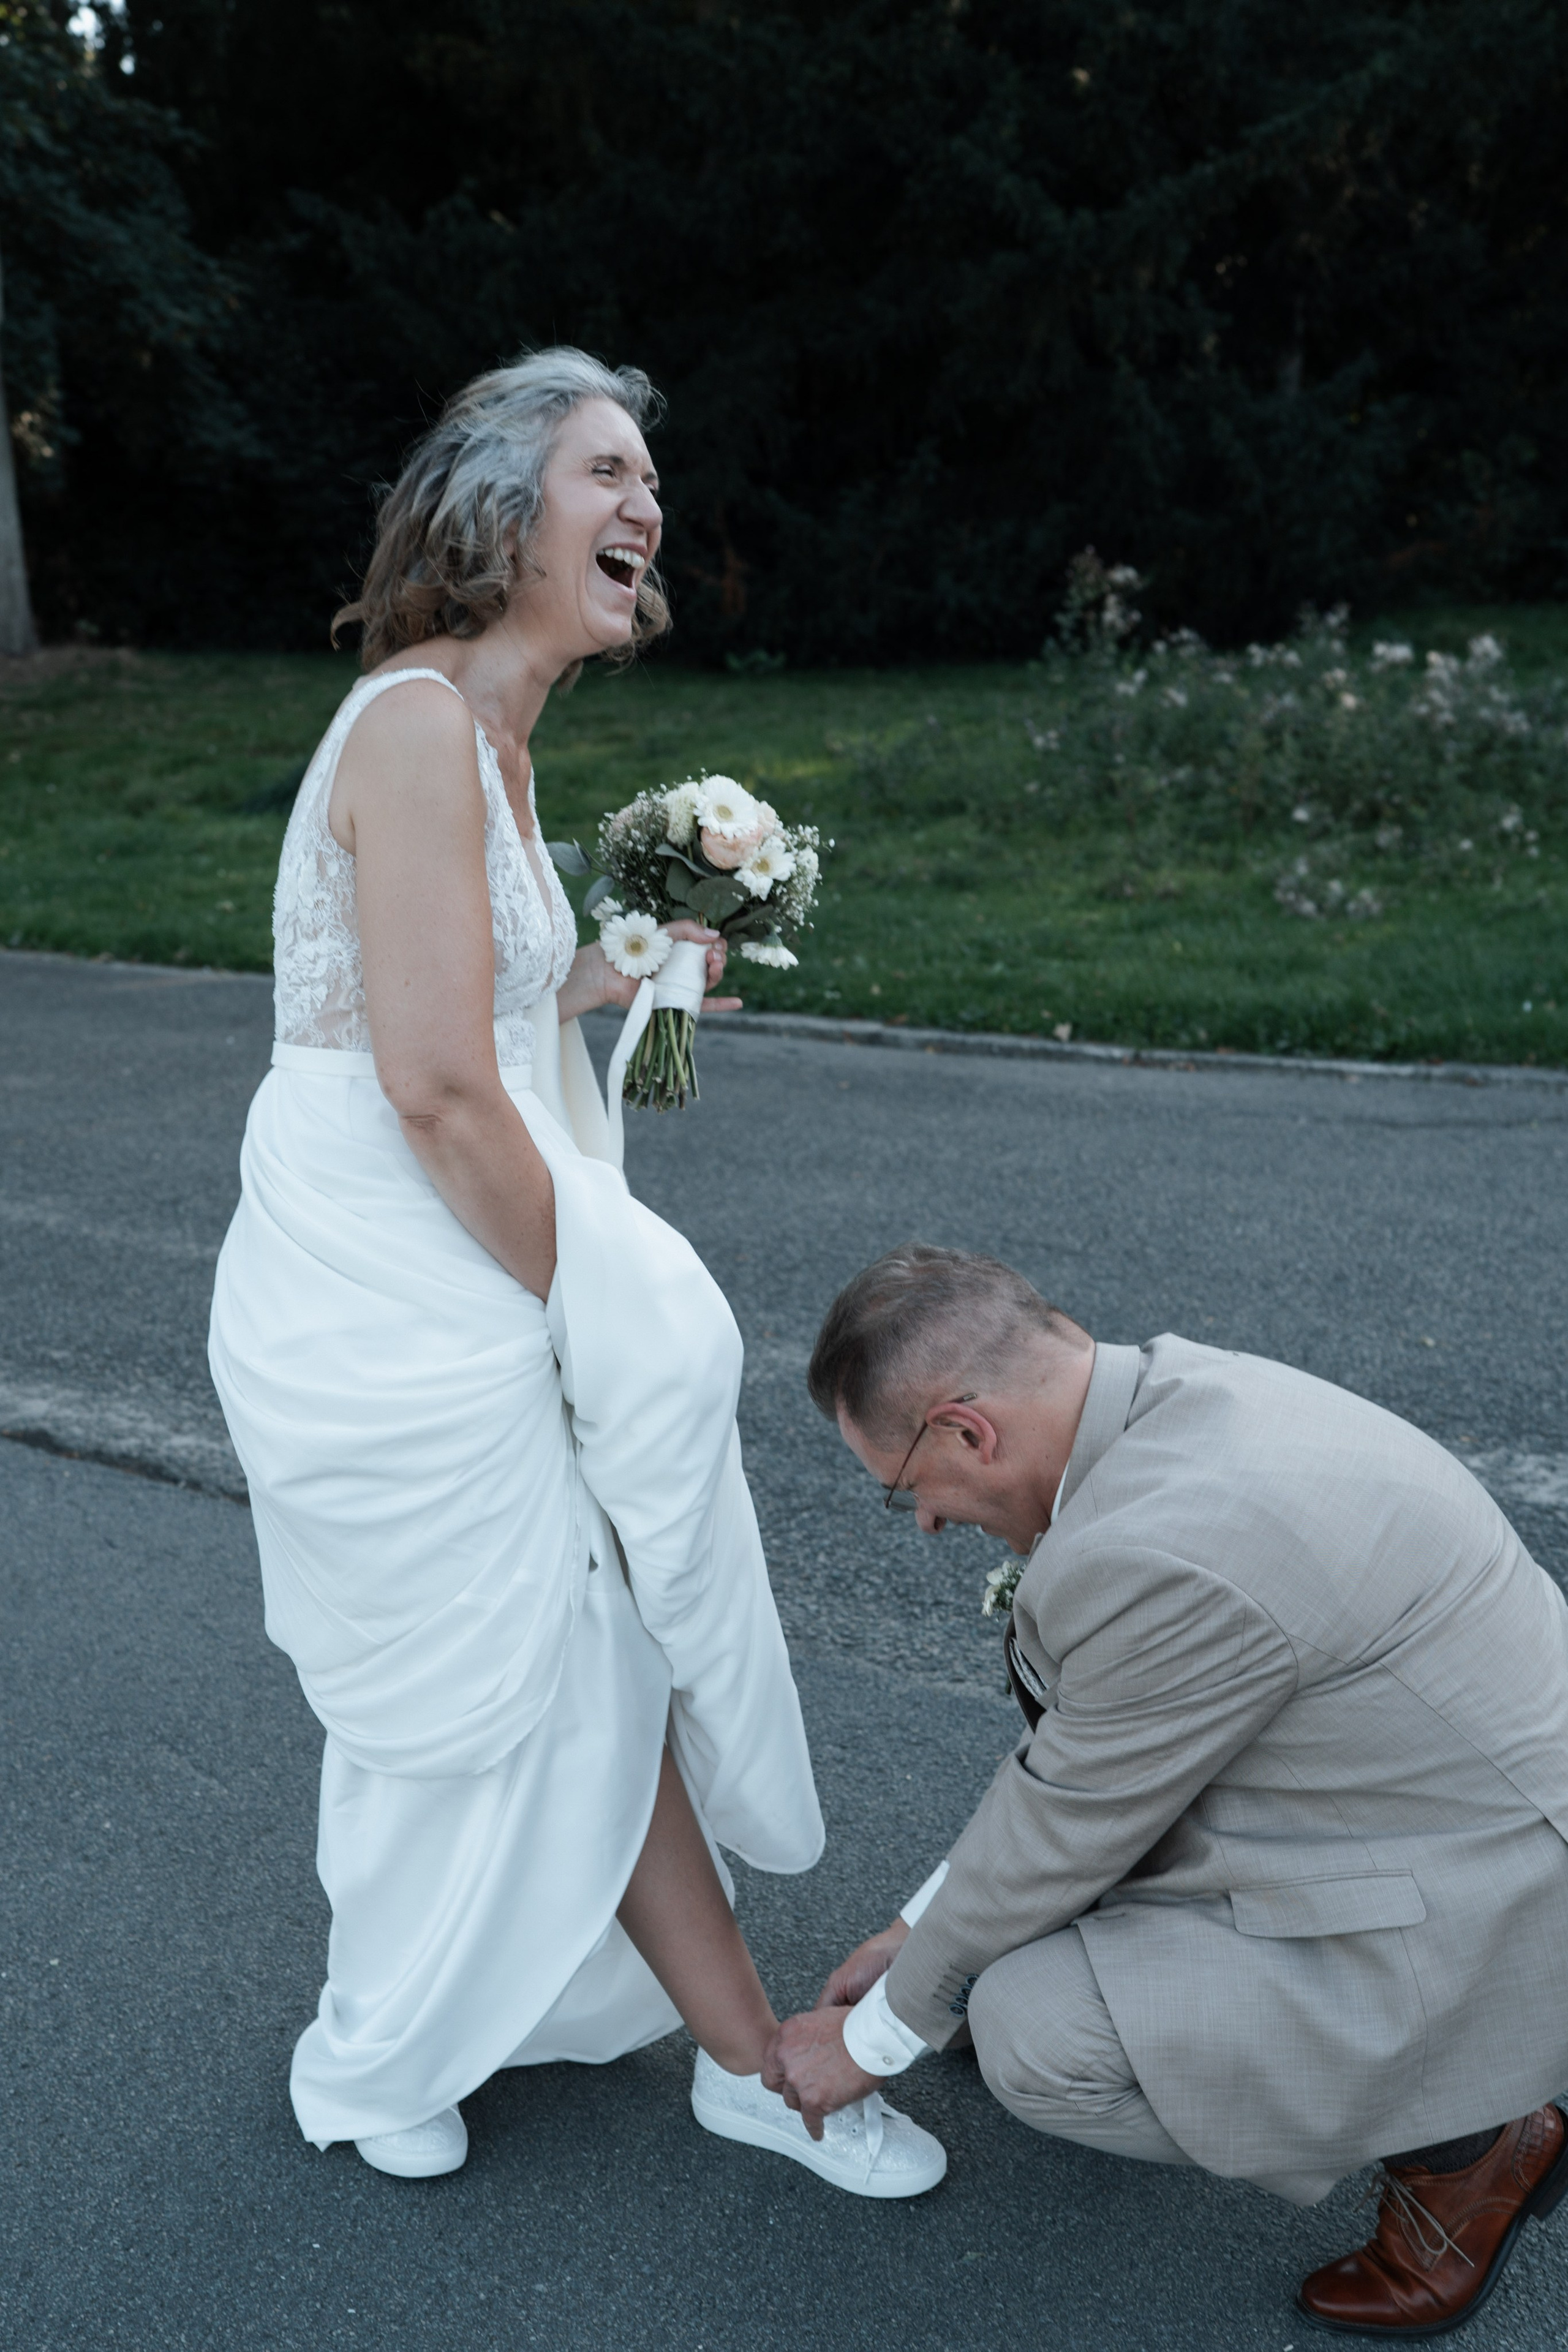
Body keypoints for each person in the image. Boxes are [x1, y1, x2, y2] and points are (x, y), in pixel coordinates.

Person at [208, 349, 944, 2199]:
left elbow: (483, 1004)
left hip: (450, 1231)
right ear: (497, 510)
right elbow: (440, 1084)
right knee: (493, 1669)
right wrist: (589, 1307)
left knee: (572, 1656)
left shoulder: (492, 733)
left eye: (651, 484)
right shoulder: (412, 725)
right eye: (605, 474)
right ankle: (419, 2042)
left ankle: (709, 2053)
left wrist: (644, 958)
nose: (648, 509)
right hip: (392, 1269)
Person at [766, 1242, 1568, 2332]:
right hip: (1412, 1809)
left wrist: (873, 2043)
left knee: (1033, 2033)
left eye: (909, 1488)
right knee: (997, 1947)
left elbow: (1069, 1821)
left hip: (1487, 1897)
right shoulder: (1180, 1392)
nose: (925, 1524)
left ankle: (1470, 2143)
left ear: (967, 1430)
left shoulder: (1164, 1548)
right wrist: (923, 1926)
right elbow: (1089, 1762)